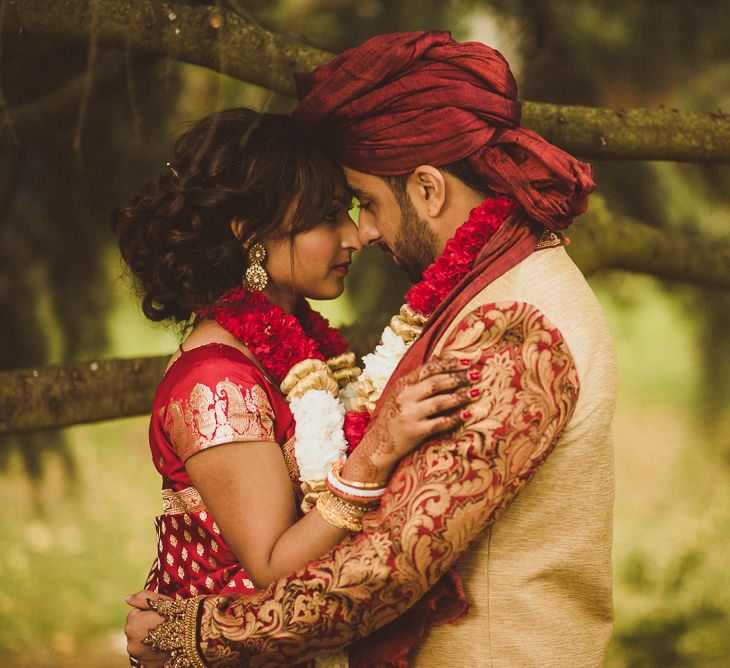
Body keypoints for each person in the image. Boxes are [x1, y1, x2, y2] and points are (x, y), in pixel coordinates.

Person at [126, 31, 617, 668]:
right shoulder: (497, 289)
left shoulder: (513, 323)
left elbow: (389, 566)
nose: (364, 232)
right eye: (336, 212)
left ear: (429, 189)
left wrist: (191, 637)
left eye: (366, 203)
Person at [115, 107, 480, 667]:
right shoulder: (216, 383)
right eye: (328, 216)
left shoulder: (294, 348)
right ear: (249, 232)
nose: (356, 236)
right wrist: (379, 451)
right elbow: (271, 563)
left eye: (349, 210)